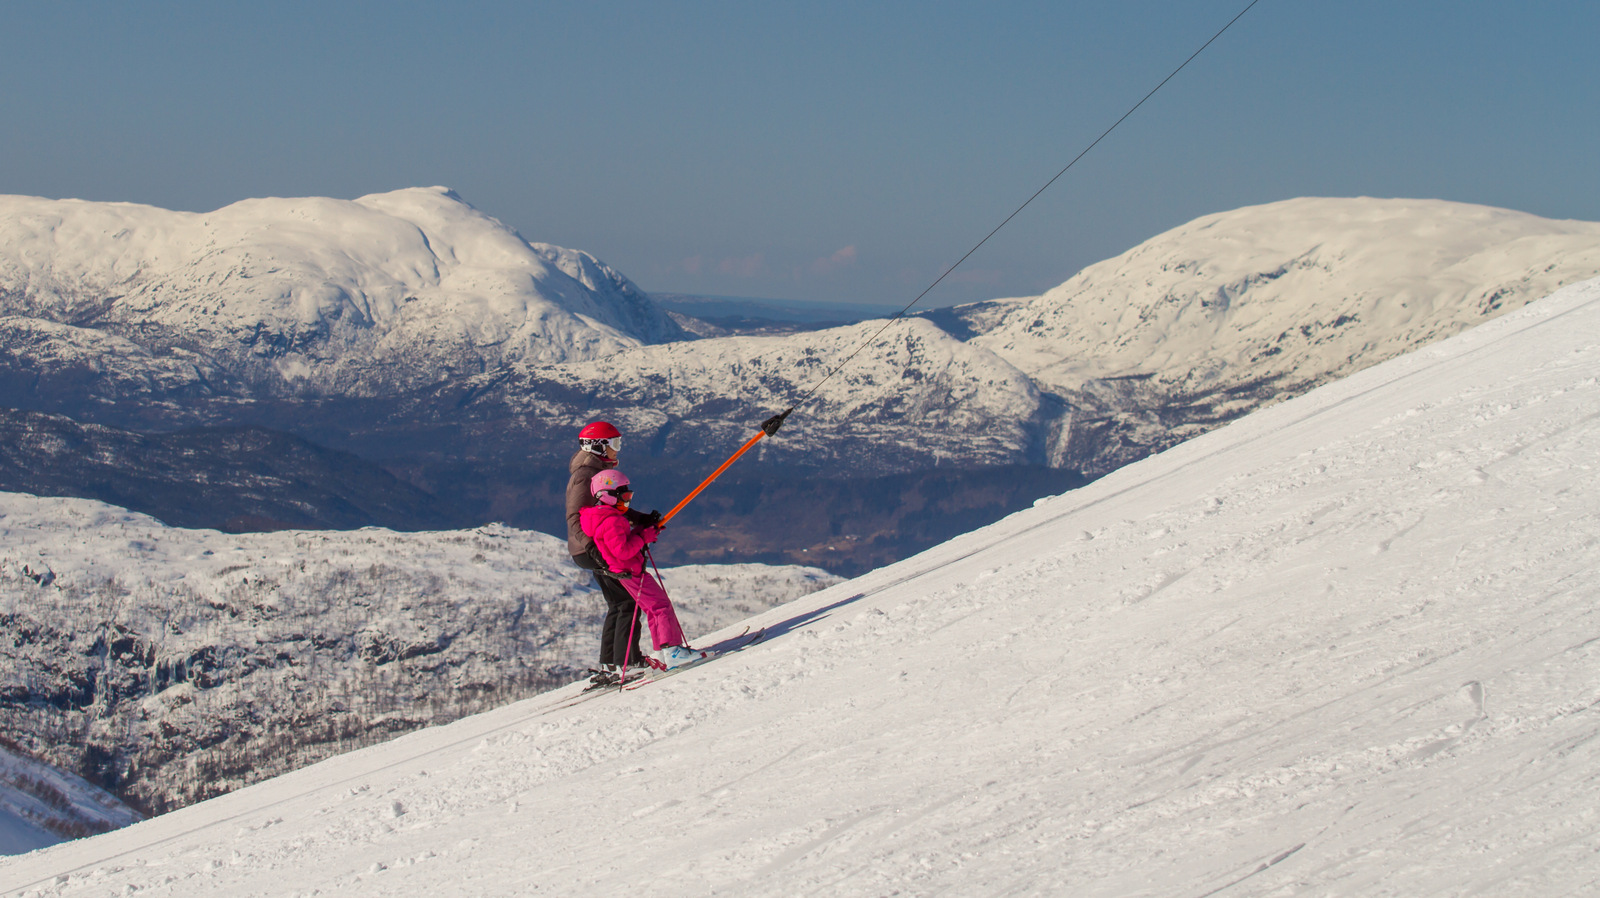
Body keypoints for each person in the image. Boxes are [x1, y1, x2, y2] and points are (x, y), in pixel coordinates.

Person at [581, 469, 704, 672]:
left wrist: (643, 531)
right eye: (624, 496)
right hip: (630, 571)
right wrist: (643, 537)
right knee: (661, 606)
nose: (627, 501)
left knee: (653, 608)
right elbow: (622, 551)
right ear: (607, 496)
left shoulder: (605, 517)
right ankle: (672, 651)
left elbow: (622, 542)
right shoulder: (612, 520)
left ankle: (663, 651)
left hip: (626, 571)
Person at [566, 421, 656, 682]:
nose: (618, 449)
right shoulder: (585, 475)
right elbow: (575, 517)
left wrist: (639, 518)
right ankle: (628, 661)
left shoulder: (595, 471)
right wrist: (592, 548)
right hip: (594, 549)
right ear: (598, 446)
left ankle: (611, 663)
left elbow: (609, 505)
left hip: (594, 549)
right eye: (614, 444)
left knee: (618, 602)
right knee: (628, 601)